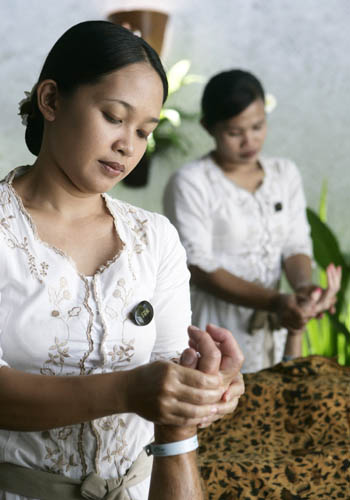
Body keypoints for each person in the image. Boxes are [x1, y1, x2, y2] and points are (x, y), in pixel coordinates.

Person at [0, 22, 245, 500]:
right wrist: (128, 392)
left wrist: (201, 391)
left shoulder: (155, 239)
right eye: (114, 116)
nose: (128, 145)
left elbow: (171, 389)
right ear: (50, 101)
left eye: (144, 131)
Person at [164, 69, 341, 373]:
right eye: (235, 132)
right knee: (219, 409)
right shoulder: (191, 182)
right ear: (209, 127)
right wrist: (275, 301)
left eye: (258, 126)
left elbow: (296, 243)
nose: (249, 140)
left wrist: (302, 290)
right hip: (216, 330)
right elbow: (199, 266)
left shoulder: (284, 174)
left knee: (271, 412)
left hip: (275, 330)